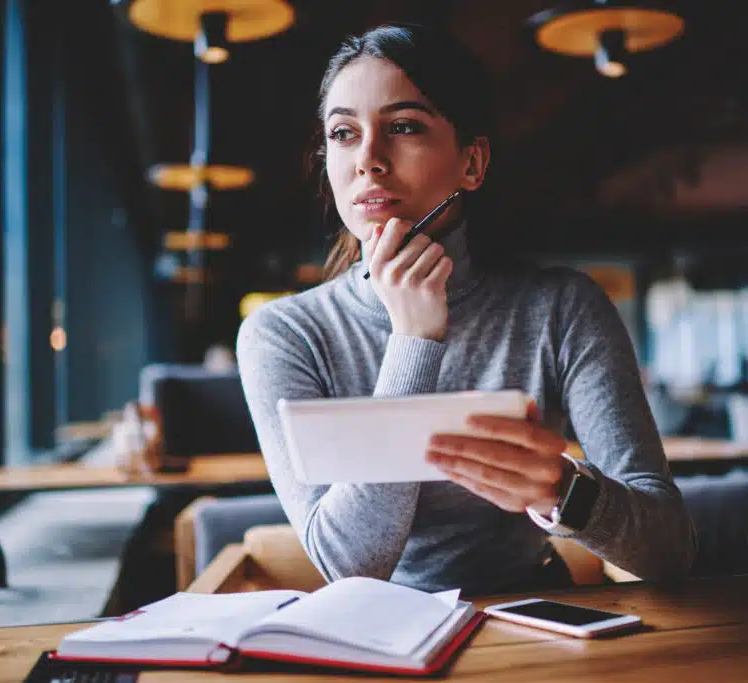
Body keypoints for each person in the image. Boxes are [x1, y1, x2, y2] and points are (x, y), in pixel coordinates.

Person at [236, 24, 696, 594]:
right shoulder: (283, 333)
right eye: (344, 133)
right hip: (378, 639)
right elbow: (349, 565)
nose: (369, 160)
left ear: (472, 165)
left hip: (540, 621)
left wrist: (564, 491)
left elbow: (671, 547)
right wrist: (413, 341)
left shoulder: (561, 308)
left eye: (403, 127)